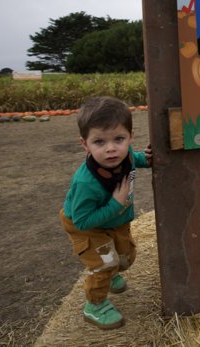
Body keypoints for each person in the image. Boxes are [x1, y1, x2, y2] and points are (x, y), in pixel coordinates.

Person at [59, 96, 152, 330]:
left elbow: (132, 158)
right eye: (99, 142)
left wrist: (144, 159)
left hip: (116, 220)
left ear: (130, 137)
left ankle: (111, 273)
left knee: (126, 256)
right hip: (88, 226)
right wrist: (115, 205)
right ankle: (95, 306)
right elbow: (82, 222)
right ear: (85, 144)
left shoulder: (126, 154)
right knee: (105, 263)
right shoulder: (85, 183)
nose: (111, 148)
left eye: (118, 139)